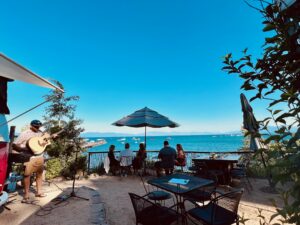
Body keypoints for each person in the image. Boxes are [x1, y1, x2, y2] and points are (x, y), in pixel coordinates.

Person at [12, 120, 46, 203]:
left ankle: (39, 192)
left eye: (38, 126)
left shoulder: (40, 133)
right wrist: (24, 150)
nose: (37, 128)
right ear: (31, 125)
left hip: (39, 156)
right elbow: (14, 144)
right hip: (28, 157)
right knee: (27, 175)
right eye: (35, 126)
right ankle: (26, 195)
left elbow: (44, 141)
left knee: (39, 174)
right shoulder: (25, 133)